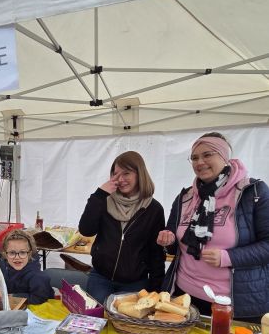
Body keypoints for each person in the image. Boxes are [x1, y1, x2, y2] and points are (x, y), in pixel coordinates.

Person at [157, 132, 269, 321]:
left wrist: (228, 257)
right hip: (184, 297)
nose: (199, 162)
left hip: (233, 304)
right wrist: (167, 240)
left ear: (224, 157)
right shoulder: (185, 197)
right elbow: (175, 242)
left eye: (207, 155)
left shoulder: (253, 192)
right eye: (194, 158)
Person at [78, 151, 165, 304]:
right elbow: (86, 230)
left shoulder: (154, 209)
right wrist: (98, 195)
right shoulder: (103, 200)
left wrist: (156, 289)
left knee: (127, 325)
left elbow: (156, 253)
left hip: (135, 283)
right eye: (116, 174)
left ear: (139, 174)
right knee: (97, 320)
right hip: (101, 278)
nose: (120, 179)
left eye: (126, 173)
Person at [0, 229, 54, 305]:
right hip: (8, 308)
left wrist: (15, 297)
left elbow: (40, 297)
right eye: (12, 253)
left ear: (29, 254)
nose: (17, 257)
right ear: (5, 254)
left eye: (22, 252)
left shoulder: (37, 276)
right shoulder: (1, 266)